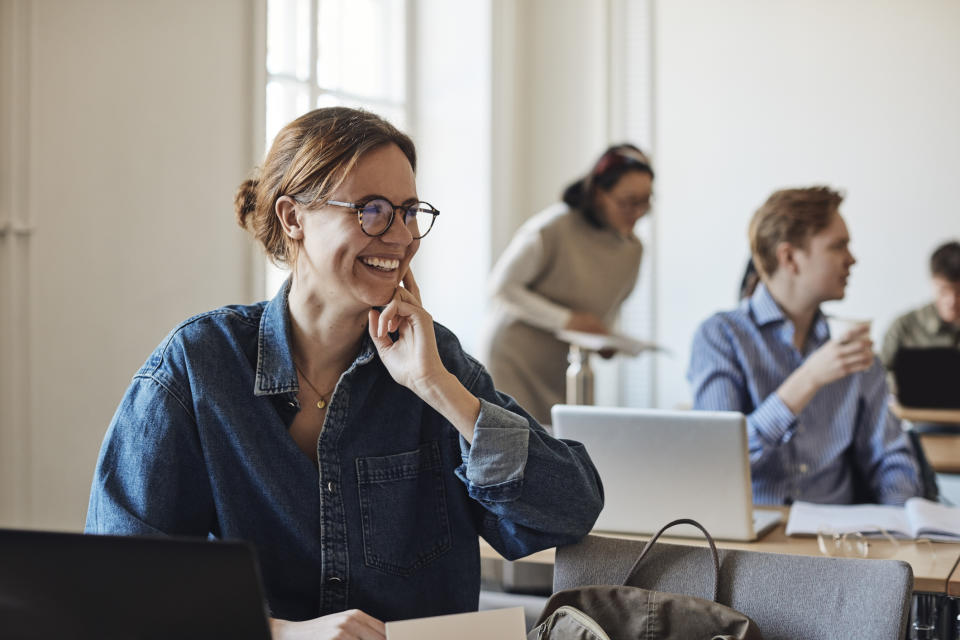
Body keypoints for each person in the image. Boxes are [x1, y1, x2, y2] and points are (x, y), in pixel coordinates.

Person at [85, 107, 604, 638]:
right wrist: (283, 634)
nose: (400, 236)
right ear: (293, 218)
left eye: (408, 211)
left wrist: (438, 389)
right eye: (371, 210)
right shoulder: (200, 366)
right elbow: (123, 583)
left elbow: (568, 511)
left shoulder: (435, 359)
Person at [687, 186, 921, 505]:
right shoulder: (720, 336)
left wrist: (900, 524)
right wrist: (808, 379)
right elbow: (714, 460)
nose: (852, 259)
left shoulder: (851, 345)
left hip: (839, 540)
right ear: (789, 258)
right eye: (839, 246)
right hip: (751, 540)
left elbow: (892, 460)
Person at [478, 144, 654, 424]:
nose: (637, 212)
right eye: (627, 202)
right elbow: (502, 288)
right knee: (516, 449)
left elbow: (604, 312)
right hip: (514, 361)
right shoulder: (553, 228)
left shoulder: (634, 251)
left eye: (644, 202)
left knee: (564, 451)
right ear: (599, 193)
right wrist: (567, 320)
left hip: (567, 367)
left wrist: (605, 339)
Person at [880, 240, 960, 371]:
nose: (952, 301)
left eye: (959, 292)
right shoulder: (904, 328)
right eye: (944, 290)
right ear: (933, 282)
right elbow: (880, 377)